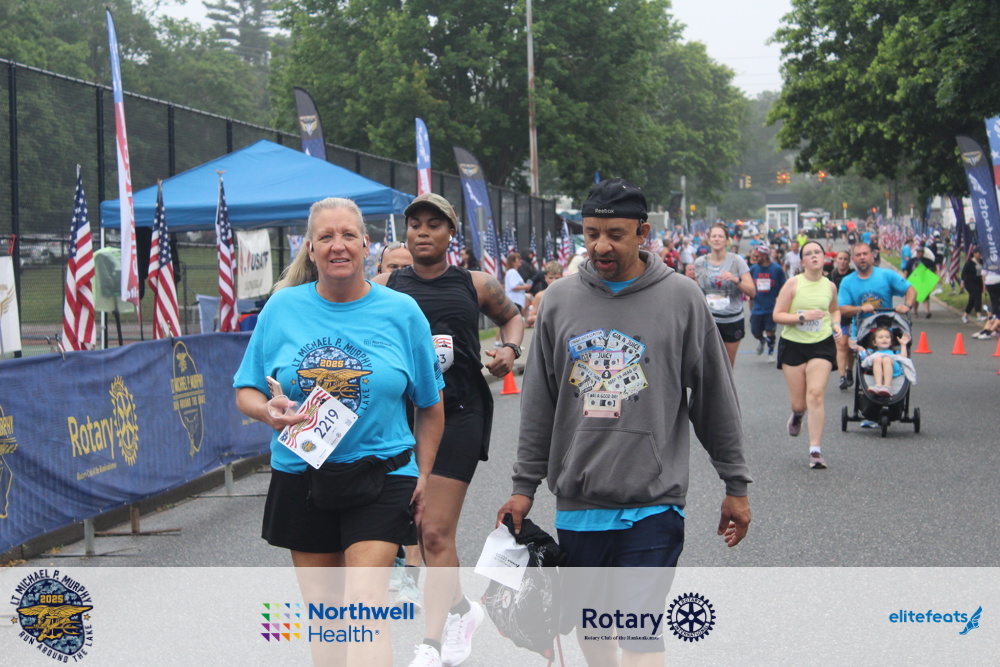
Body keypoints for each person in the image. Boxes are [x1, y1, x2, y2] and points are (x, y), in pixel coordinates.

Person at [497, 178, 752, 667]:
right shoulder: (558, 301)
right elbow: (539, 405)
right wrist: (523, 487)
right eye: (591, 233)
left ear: (642, 232)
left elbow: (715, 399)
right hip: (579, 502)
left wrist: (735, 485)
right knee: (595, 629)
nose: (600, 246)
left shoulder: (682, 298)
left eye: (615, 234)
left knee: (639, 630)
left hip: (654, 503)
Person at [233, 197, 445, 666]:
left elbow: (431, 405)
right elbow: (245, 389)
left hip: (382, 473)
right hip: (302, 475)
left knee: (366, 606)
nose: (338, 245)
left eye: (348, 235)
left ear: (366, 245)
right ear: (310, 248)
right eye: (326, 237)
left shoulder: (402, 312)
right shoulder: (282, 308)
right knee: (327, 618)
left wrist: (424, 475)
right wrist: (268, 411)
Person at [373, 193, 524, 667]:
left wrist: (510, 350)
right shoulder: (384, 285)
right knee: (419, 529)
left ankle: (432, 644)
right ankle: (461, 609)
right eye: (415, 223)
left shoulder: (474, 283)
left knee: (435, 531)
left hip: (460, 413)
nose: (422, 232)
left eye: (434, 224)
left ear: (451, 233)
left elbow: (513, 317)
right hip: (401, 421)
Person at [773, 240, 842, 469]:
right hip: (793, 345)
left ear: (824, 258)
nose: (814, 256)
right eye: (809, 253)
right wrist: (802, 317)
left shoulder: (830, 286)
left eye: (817, 252)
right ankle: (797, 414)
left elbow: (834, 310)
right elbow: (778, 315)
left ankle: (815, 450)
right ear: (802, 261)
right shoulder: (793, 284)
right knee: (799, 403)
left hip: (821, 344)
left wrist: (836, 324)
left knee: (816, 394)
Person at [694, 223, 756, 365]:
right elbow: (697, 291)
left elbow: (752, 292)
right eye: (714, 236)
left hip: (731, 320)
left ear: (727, 241)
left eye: (720, 236)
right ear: (708, 240)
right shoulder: (700, 262)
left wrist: (735, 280)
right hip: (709, 320)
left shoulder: (737, 261)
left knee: (727, 364)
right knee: (707, 364)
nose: (717, 239)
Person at [747, 244, 786, 358]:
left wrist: (781, 298)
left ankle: (770, 352)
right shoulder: (754, 269)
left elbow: (784, 286)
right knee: (755, 331)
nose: (755, 258)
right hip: (757, 306)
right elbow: (749, 284)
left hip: (771, 306)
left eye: (757, 256)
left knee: (770, 331)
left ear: (764, 256)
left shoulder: (777, 269)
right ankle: (761, 340)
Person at [828, 251, 856, 390]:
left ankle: (850, 370)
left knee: (851, 347)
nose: (843, 262)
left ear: (849, 261)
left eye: (845, 259)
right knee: (841, 344)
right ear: (836, 260)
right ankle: (842, 376)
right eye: (840, 259)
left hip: (853, 312)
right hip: (838, 314)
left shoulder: (854, 275)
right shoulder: (831, 276)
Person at [857, 327, 911, 396]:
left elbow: (903, 357)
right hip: (877, 368)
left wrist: (903, 345)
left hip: (894, 369)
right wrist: (861, 349)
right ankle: (878, 385)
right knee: (877, 358)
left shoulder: (894, 352)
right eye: (881, 337)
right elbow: (865, 360)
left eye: (887, 337)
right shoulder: (872, 352)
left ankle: (887, 386)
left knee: (886, 359)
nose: (884, 339)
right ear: (874, 343)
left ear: (891, 342)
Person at [525, 261, 563, 327]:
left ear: (562, 277)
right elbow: (530, 319)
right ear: (545, 278)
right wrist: (536, 318)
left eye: (557, 278)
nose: (554, 281)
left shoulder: (568, 293)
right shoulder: (540, 296)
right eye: (551, 278)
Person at [960, 247, 985, 324]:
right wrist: (962, 282)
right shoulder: (969, 262)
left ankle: (965, 315)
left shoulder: (982, 262)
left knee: (972, 300)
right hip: (970, 283)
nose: (980, 255)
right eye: (979, 253)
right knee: (977, 297)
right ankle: (979, 315)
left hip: (979, 283)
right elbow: (963, 273)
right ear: (974, 253)